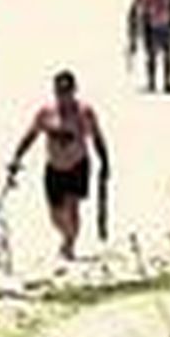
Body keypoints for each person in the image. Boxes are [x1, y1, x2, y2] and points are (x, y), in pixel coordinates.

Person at [7, 71, 111, 261]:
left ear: (74, 90)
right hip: (53, 167)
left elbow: (97, 137)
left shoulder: (84, 112)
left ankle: (69, 244)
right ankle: (66, 235)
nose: (63, 96)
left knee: (72, 209)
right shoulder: (45, 113)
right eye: (59, 92)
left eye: (67, 91)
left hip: (77, 165)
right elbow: (30, 135)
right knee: (55, 215)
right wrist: (17, 158)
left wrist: (105, 162)